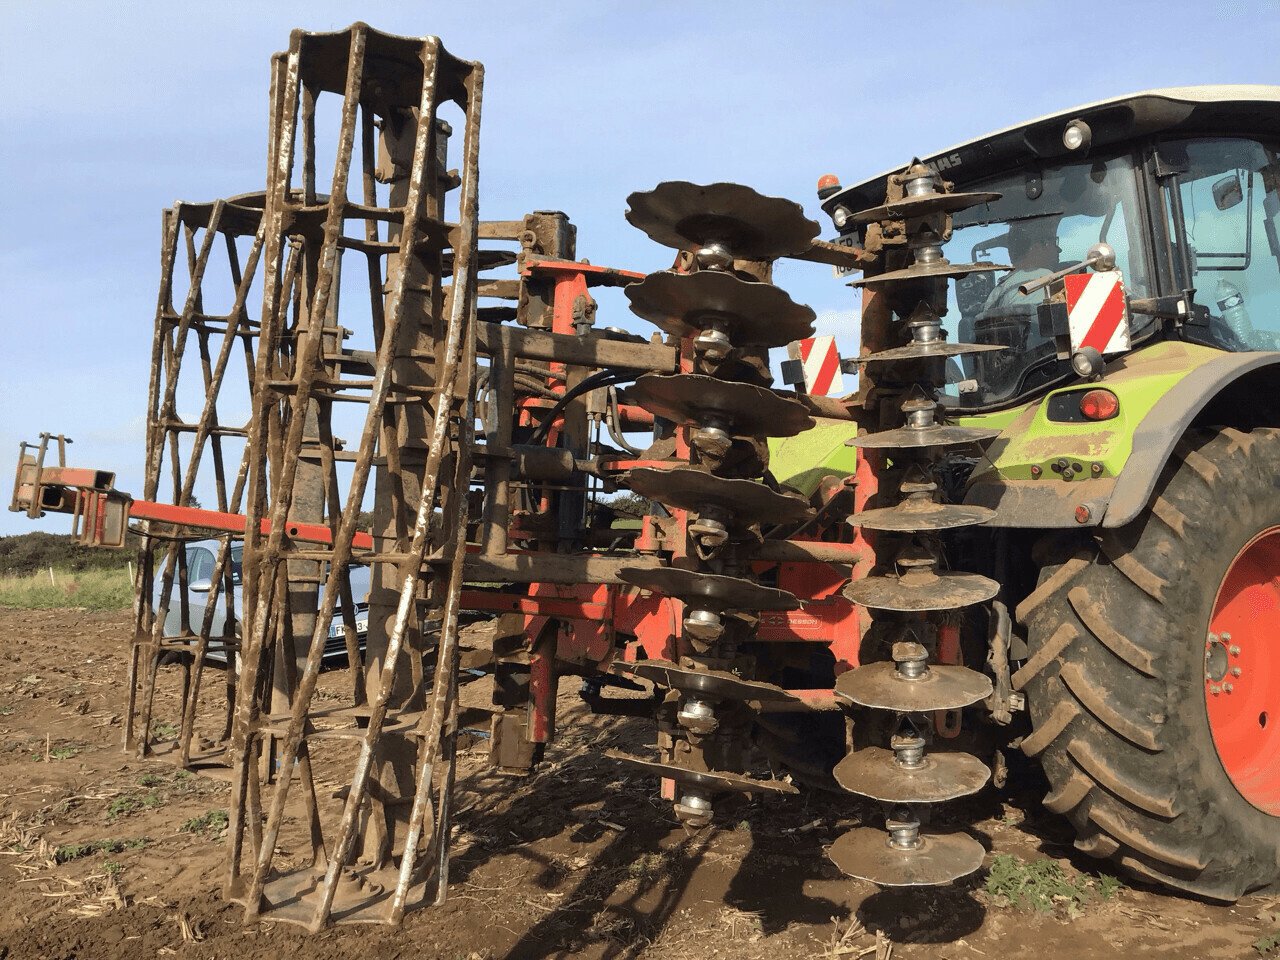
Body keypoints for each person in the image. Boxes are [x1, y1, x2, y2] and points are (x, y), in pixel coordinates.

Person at [983, 216, 1062, 313]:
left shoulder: (999, 290)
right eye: (1054, 242)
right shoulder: (1042, 279)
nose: (1059, 250)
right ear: (1037, 248)